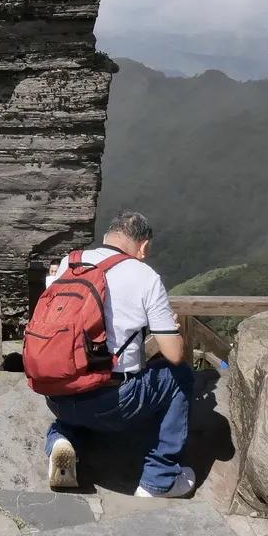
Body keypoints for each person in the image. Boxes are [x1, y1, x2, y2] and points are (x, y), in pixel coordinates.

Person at [43, 210, 195, 498]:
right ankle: (159, 480)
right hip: (115, 402)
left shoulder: (70, 262)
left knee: (78, 402)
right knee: (180, 375)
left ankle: (61, 441)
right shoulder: (144, 275)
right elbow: (174, 354)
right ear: (144, 246)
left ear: (107, 237)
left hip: (58, 392)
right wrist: (169, 329)